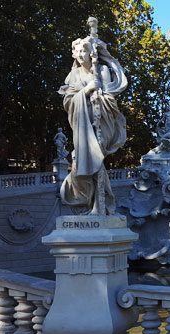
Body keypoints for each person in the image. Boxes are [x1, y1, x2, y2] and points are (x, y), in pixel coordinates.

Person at [58, 21, 128, 214]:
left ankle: (100, 206)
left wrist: (100, 95)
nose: (81, 55)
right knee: (80, 162)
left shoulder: (102, 70)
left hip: (102, 121)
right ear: (74, 54)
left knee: (97, 159)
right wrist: (87, 91)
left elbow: (110, 99)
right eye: (78, 52)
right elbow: (68, 101)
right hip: (82, 124)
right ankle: (95, 204)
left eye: (84, 51)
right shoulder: (73, 76)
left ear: (91, 52)